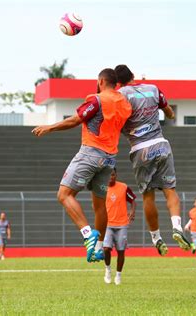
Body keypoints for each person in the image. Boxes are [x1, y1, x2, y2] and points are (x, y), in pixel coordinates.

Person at [32, 68, 132, 263]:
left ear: (101, 81)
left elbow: (76, 119)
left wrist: (49, 127)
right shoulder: (124, 104)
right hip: (110, 159)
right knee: (100, 205)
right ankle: (98, 248)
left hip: (91, 153)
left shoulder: (97, 99)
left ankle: (88, 235)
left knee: (64, 194)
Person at [114, 64, 193, 256]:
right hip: (161, 144)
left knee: (148, 196)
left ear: (118, 82)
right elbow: (169, 112)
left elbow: (115, 121)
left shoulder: (119, 95)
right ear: (132, 75)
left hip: (140, 149)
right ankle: (177, 227)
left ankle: (156, 238)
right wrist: (168, 114)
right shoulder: (153, 89)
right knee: (170, 191)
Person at [103, 168, 136, 285]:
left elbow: (132, 200)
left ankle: (118, 275)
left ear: (116, 175)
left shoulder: (123, 187)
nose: (111, 177)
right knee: (106, 248)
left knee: (121, 250)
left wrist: (132, 211)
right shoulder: (102, 188)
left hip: (122, 224)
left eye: (113, 175)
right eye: (109, 175)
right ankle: (107, 269)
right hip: (107, 224)